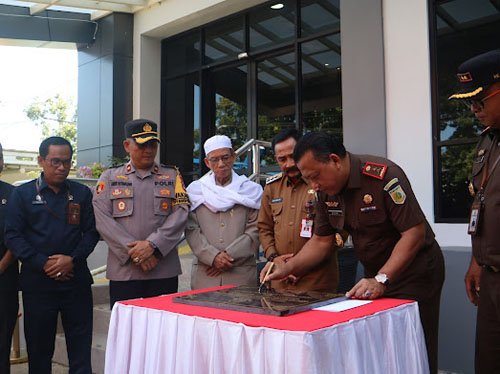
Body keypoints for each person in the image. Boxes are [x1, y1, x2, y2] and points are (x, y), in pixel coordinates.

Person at [262, 131, 445, 374]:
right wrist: (287, 267)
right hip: (373, 275)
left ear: (335, 160)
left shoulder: (383, 175)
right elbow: (321, 241)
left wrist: (382, 278)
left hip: (414, 273)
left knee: (413, 347)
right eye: (308, 180)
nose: (314, 185)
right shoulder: (324, 192)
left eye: (315, 176)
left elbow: (413, 233)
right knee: (378, 349)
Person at [5, 136, 100, 374]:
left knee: (80, 351)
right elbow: (13, 236)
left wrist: (72, 260)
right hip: (38, 285)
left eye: (67, 162)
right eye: (55, 161)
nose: (62, 167)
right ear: (41, 160)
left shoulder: (81, 193)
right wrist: (43, 263)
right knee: (39, 351)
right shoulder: (23, 194)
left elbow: (91, 233)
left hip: (75, 281)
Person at [93, 119, 190, 308]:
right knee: (126, 333)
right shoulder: (110, 177)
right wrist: (135, 254)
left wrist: (153, 246)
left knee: (162, 330)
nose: (148, 150)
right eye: (142, 144)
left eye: (152, 144)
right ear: (127, 145)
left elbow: (181, 213)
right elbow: (102, 218)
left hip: (163, 269)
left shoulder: (172, 176)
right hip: (125, 271)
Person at [449, 49, 500, 374]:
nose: (474, 110)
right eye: (470, 102)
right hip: (491, 276)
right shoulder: (488, 142)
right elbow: (481, 205)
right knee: (489, 360)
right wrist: (475, 262)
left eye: (480, 101)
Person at [258, 129, 339, 293]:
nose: (288, 164)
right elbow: (264, 227)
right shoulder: (272, 188)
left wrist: (301, 264)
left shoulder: (321, 182)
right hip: (280, 280)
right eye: (282, 159)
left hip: (317, 280)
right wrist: (275, 259)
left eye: (292, 156)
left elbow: (339, 232)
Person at [186, 135, 263, 289]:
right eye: (214, 160)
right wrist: (212, 257)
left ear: (233, 157)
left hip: (241, 273)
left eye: (225, 157)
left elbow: (256, 229)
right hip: (205, 272)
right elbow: (191, 229)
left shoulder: (251, 190)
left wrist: (226, 258)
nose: (221, 164)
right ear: (207, 162)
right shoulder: (195, 191)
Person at [0, 142, 18, 374]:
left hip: (5, 279)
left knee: (2, 342)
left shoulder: (13, 194)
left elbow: (19, 235)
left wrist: (3, 264)